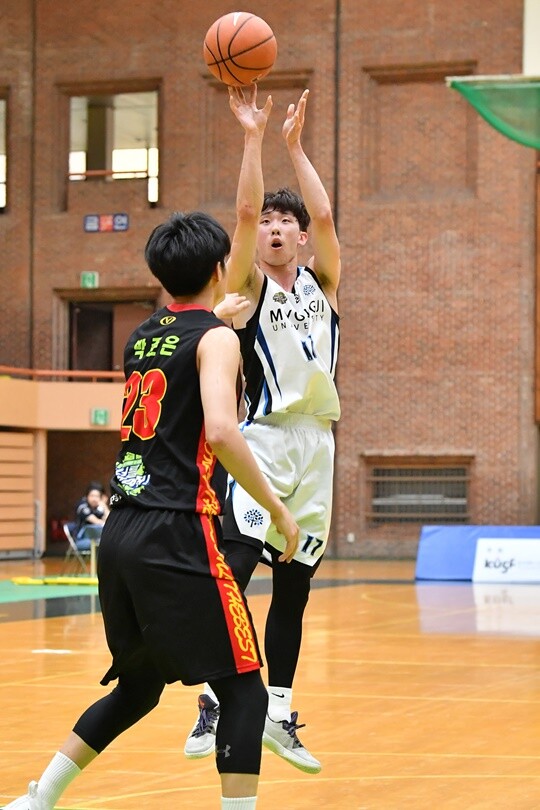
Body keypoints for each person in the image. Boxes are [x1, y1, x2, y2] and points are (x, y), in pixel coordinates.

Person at [3, 210, 299, 810]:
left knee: (138, 687)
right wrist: (277, 508)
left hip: (121, 530)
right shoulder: (217, 340)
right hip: (179, 530)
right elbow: (221, 430)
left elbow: (186, 341)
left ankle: (37, 799)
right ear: (220, 269)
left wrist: (220, 319)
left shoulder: (141, 336)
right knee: (245, 691)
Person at [184, 86, 340, 775]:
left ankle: (279, 709)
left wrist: (296, 148)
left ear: (301, 237)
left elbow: (326, 214)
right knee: (238, 568)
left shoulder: (324, 284)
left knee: (296, 583)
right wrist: (253, 138)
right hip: (266, 438)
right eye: (270, 221)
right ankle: (214, 699)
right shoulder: (248, 287)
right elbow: (243, 213)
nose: (275, 228)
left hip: (319, 445)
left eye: (286, 222)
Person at [74, 482, 109, 550]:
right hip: (82, 540)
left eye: (97, 496)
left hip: (98, 538)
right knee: (106, 543)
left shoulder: (99, 507)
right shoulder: (82, 506)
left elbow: (110, 521)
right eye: (92, 496)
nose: (94, 499)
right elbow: (97, 522)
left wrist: (104, 506)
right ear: (87, 496)